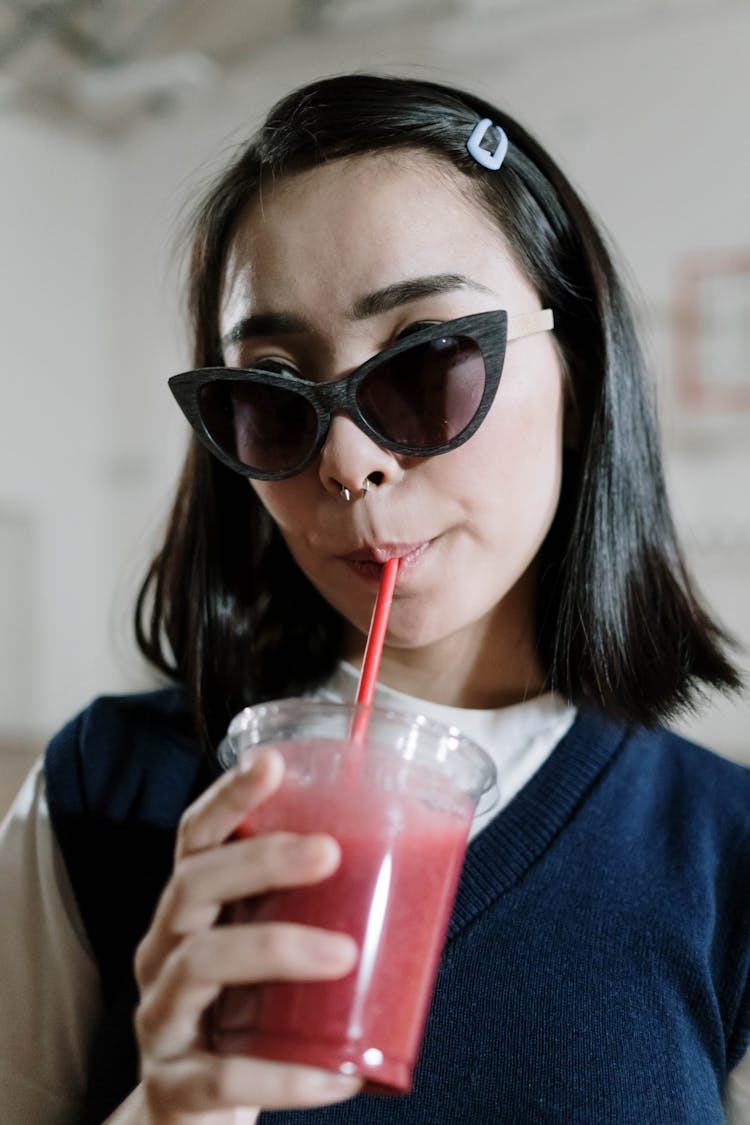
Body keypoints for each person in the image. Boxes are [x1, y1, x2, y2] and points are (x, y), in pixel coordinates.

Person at [1, 72, 748, 1125]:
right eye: (271, 393)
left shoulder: (727, 853)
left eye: (426, 358)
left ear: (576, 372)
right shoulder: (98, 797)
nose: (348, 462)